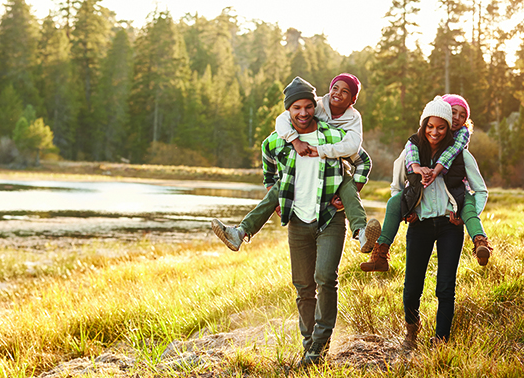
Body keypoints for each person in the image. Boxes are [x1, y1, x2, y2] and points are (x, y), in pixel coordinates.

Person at [252, 77, 362, 365]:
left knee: (325, 278)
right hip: (299, 220)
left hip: (330, 217)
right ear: (288, 111)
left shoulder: (332, 135)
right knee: (303, 287)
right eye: (296, 107)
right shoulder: (280, 138)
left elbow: (363, 159)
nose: (303, 113)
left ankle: (320, 344)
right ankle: (310, 346)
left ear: (316, 107)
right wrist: (272, 190)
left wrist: (353, 187)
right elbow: (267, 159)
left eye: (308, 106)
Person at [211, 73, 380, 254]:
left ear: (353, 99)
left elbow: (356, 149)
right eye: (335, 88)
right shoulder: (316, 106)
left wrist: (351, 189)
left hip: (336, 170)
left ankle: (362, 233)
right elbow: (282, 120)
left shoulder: (352, 120)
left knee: (348, 186)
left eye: (345, 91)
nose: (337, 93)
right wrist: (295, 141)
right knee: (279, 187)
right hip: (301, 171)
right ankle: (240, 233)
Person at [389, 96, 488, 347]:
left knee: (445, 286)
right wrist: (406, 210)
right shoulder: (411, 153)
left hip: (449, 227)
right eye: (430, 127)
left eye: (441, 127)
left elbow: (481, 191)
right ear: (424, 126)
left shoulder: (461, 156)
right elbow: (395, 187)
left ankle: (441, 339)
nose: (435, 132)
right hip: (419, 225)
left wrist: (465, 214)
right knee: (412, 286)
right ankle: (412, 330)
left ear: (448, 129)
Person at [360, 94, 493, 272]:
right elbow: (399, 178)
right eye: (453, 112)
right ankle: (380, 252)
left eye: (462, 116)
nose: (457, 119)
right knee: (394, 203)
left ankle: (480, 242)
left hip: (455, 195)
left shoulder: (460, 143)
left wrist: (436, 170)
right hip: (421, 208)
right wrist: (408, 208)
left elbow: (453, 156)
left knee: (468, 206)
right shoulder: (415, 143)